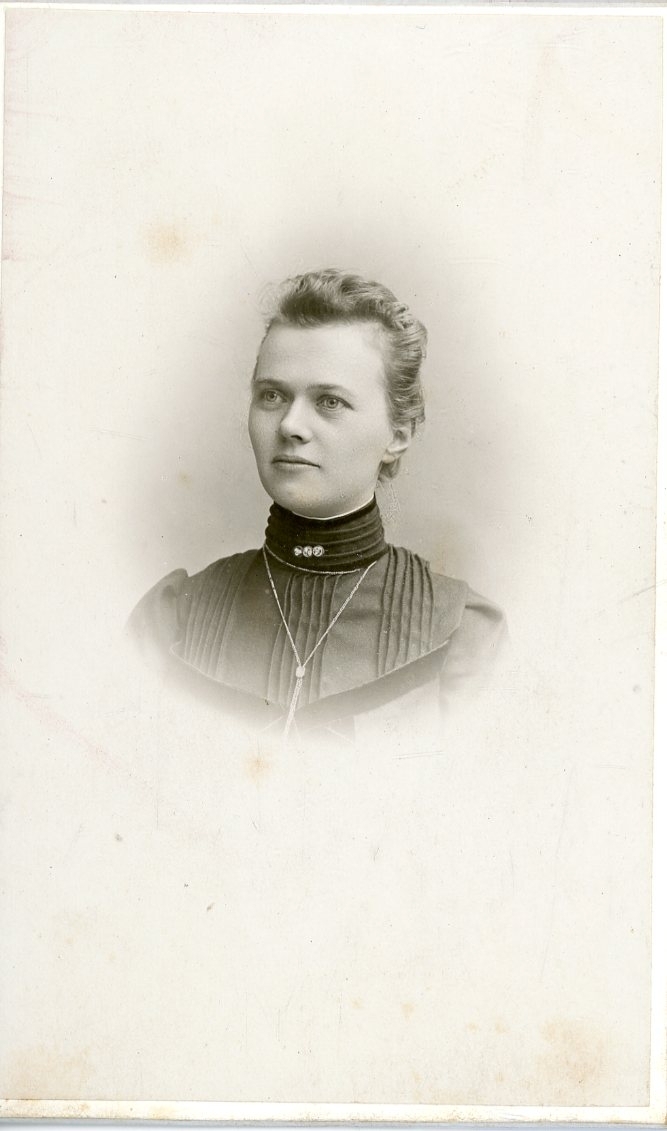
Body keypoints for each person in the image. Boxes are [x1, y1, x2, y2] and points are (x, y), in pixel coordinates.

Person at [128, 268, 505, 750]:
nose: (290, 424)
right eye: (272, 395)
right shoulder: (172, 620)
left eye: (329, 401)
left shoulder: (463, 636)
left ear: (398, 434)